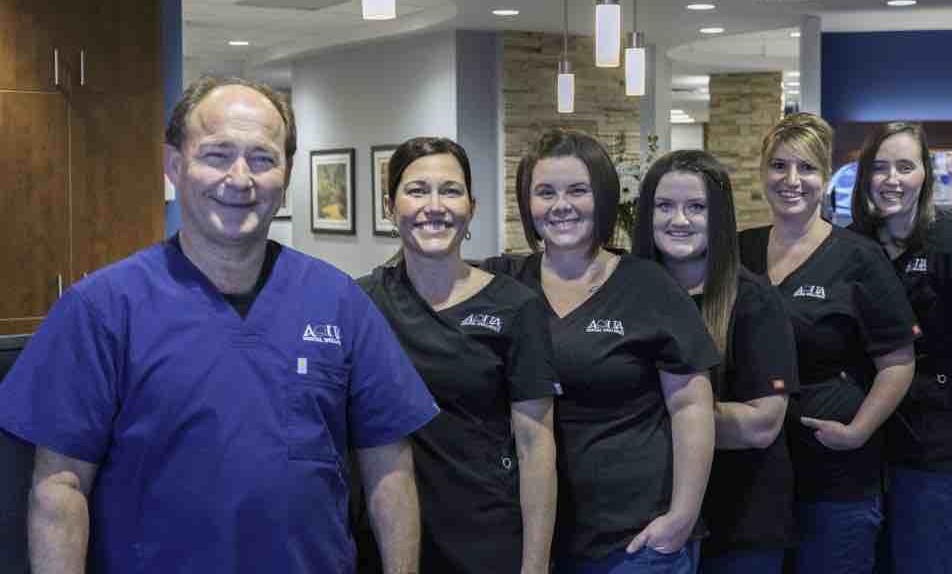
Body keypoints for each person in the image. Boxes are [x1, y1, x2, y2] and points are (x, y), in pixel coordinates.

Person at [0, 77, 439, 574]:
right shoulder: (102, 309)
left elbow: (389, 467)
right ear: (174, 166)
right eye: (216, 154)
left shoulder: (339, 302)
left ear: (286, 172)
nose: (239, 178)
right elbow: (60, 486)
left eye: (261, 158)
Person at [483, 130, 719, 574]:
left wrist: (682, 518)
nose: (561, 205)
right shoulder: (503, 282)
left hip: (635, 542)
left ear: (604, 198)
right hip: (534, 538)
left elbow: (691, 405)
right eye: (545, 192)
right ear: (526, 203)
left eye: (577, 190)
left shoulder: (647, 285)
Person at [357, 137, 559, 573]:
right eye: (417, 191)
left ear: (472, 206)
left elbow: (535, 446)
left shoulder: (515, 307)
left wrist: (536, 566)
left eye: (450, 190)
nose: (435, 205)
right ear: (389, 208)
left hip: (485, 539)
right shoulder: (362, 304)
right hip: (386, 543)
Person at [737, 113, 917, 574]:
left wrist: (857, 431)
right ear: (762, 172)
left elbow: (898, 361)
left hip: (836, 475)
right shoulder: (739, 252)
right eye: (778, 166)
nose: (791, 180)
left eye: (807, 168)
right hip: (752, 478)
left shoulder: (860, 257)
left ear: (825, 177)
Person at [849, 123, 952, 574]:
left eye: (905, 166)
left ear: (926, 175)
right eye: (879, 168)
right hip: (863, 446)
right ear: (865, 176)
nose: (891, 179)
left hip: (932, 446)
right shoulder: (853, 244)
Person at [632, 150, 799, 573]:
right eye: (665, 206)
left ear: (720, 216)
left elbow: (763, 424)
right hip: (648, 517)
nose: (679, 220)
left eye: (696, 207)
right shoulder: (629, 296)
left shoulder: (754, 300)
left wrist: (642, 422)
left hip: (741, 522)